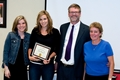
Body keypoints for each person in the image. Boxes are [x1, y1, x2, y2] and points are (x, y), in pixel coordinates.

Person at [55, 3, 91, 80]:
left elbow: (90, 48)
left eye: (76, 12)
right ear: (68, 14)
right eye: (71, 12)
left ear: (80, 14)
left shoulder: (86, 30)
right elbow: (61, 46)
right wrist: (56, 62)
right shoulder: (63, 27)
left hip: (76, 69)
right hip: (62, 68)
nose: (73, 14)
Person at [28, 10, 60, 80]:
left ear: (48, 19)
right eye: (41, 19)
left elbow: (56, 49)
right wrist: (30, 57)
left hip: (48, 65)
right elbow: (30, 45)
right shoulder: (35, 30)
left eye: (45, 19)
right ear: (38, 21)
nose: (43, 21)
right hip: (34, 64)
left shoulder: (55, 32)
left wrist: (49, 58)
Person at [2, 15, 30, 80]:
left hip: (23, 69)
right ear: (16, 25)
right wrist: (6, 68)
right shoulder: (11, 35)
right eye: (19, 23)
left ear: (26, 24)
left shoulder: (29, 37)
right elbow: (5, 52)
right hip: (11, 68)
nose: (21, 25)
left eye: (23, 23)